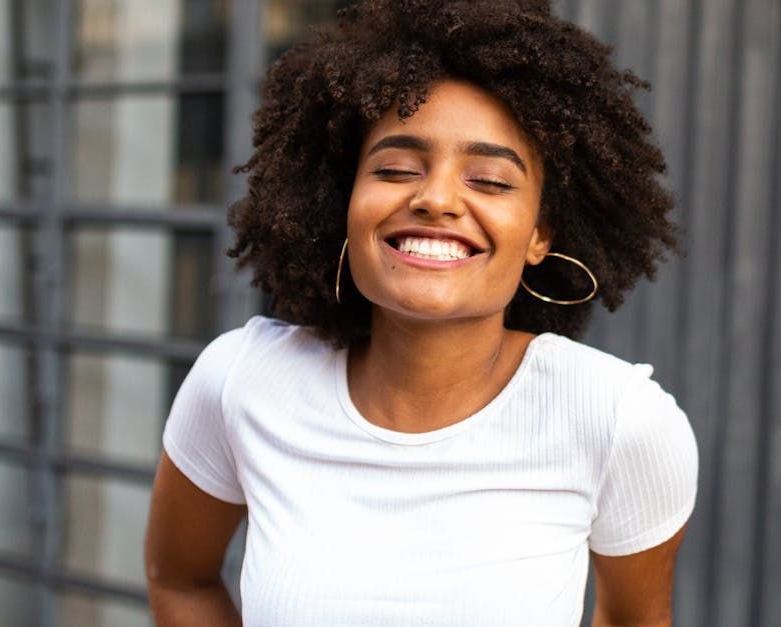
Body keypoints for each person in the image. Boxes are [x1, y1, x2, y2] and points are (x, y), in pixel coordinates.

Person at [144, 1, 698, 625]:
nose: (435, 199)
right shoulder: (242, 381)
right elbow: (180, 580)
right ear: (341, 201)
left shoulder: (618, 419)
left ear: (541, 233)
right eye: (397, 169)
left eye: (489, 180)